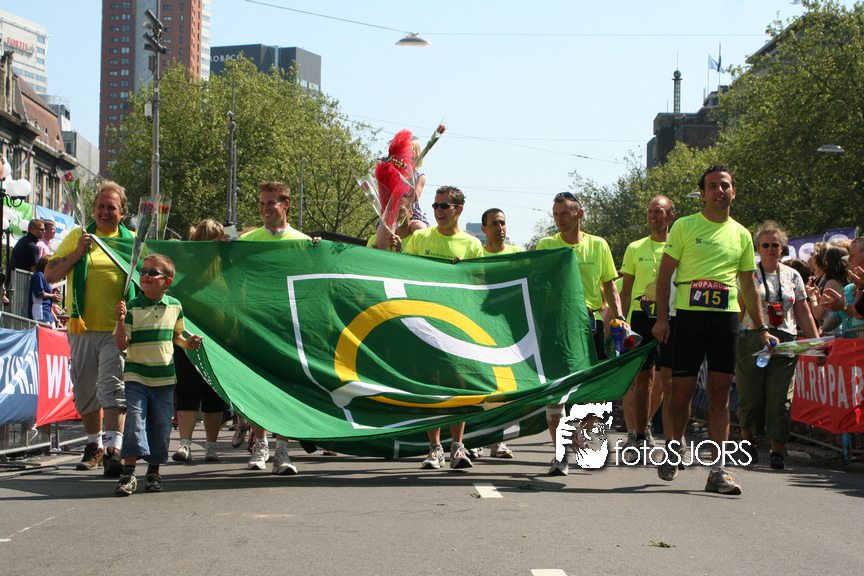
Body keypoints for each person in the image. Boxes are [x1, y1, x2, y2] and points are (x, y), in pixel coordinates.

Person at [652, 165, 778, 495]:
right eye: (712, 186)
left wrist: (762, 328)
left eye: (724, 185)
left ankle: (717, 471)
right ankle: (674, 447)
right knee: (681, 393)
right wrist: (662, 318)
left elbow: (748, 285)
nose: (719, 191)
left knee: (720, 396)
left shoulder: (741, 234)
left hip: (725, 320)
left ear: (733, 191)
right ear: (703, 193)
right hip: (688, 318)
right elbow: (664, 275)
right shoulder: (685, 226)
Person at [46, 182, 134, 476]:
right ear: (94, 209)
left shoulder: (132, 242)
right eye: (100, 206)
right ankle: (93, 445)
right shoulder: (78, 236)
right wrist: (78, 253)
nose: (104, 212)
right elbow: (50, 275)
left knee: (112, 387)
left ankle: (113, 449)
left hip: (115, 329)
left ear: (122, 213)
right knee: (85, 389)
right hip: (81, 326)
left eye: (111, 207)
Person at [536, 192, 625, 476]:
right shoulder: (547, 245)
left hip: (591, 324)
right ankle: (560, 455)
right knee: (557, 391)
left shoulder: (598, 245)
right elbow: (537, 282)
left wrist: (620, 317)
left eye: (565, 213)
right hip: (558, 325)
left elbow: (610, 286)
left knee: (595, 391)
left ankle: (582, 436)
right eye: (556, 214)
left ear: (580, 214)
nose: (559, 219)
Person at [402, 185, 484, 470]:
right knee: (431, 385)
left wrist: (465, 271)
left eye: (444, 206)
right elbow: (401, 270)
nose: (438, 211)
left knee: (457, 384)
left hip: (456, 324)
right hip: (423, 321)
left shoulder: (472, 244)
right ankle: (434, 448)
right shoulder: (420, 237)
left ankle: (457, 446)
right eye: (435, 206)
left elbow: (481, 284)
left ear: (458, 209)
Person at [112, 254, 203, 495]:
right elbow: (122, 344)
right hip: (136, 377)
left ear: (167, 281)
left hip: (164, 378)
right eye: (143, 271)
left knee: (161, 426)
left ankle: (154, 471)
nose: (145, 276)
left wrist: (188, 344)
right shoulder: (131, 306)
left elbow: (177, 336)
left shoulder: (175, 306)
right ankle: (129, 473)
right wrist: (120, 321)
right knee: (134, 422)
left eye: (153, 272)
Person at [239, 181, 312, 475]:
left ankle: (282, 450)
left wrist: (320, 249)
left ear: (286, 205)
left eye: (271, 202)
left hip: (288, 326)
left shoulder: (303, 242)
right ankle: (260, 443)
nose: (265, 208)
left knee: (286, 388)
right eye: (261, 203)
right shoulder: (247, 241)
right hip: (255, 324)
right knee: (256, 386)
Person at [736, 221, 819, 471]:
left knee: (780, 399)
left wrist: (816, 343)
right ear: (758, 248)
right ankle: (748, 443)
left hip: (785, 339)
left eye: (776, 245)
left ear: (782, 248)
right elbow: (739, 309)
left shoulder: (793, 275)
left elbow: (803, 313)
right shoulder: (747, 275)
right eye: (766, 245)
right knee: (751, 397)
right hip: (752, 336)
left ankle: (777, 451)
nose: (771, 249)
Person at [618, 196, 676, 463]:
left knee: (665, 382)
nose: (653, 216)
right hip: (641, 317)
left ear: (670, 216)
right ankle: (636, 434)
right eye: (650, 211)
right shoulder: (635, 247)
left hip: (670, 314)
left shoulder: (679, 246)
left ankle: (650, 426)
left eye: (659, 211)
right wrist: (622, 320)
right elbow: (626, 290)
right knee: (640, 381)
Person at [172, 220, 230, 463]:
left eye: (213, 241)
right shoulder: (185, 267)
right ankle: (184, 444)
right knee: (187, 390)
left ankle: (211, 446)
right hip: (187, 338)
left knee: (213, 393)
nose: (208, 247)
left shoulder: (227, 266)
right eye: (204, 242)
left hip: (219, 340)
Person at [475, 208, 522, 459]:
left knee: (505, 385)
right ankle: (476, 439)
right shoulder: (476, 256)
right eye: (494, 224)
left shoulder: (517, 255)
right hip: (480, 328)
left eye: (502, 223)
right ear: (484, 229)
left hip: (508, 329)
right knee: (481, 383)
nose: (499, 228)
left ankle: (499, 440)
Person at [820, 236, 864, 338]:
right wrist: (822, 329)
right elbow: (838, 316)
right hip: (851, 343)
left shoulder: (860, 286)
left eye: (852, 255)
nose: (849, 260)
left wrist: (843, 306)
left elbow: (858, 314)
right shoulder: (848, 289)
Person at [28, 255, 61, 326]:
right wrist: (52, 296)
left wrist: (56, 320)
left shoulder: (46, 277)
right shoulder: (39, 275)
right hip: (40, 311)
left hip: (47, 312)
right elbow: (39, 293)